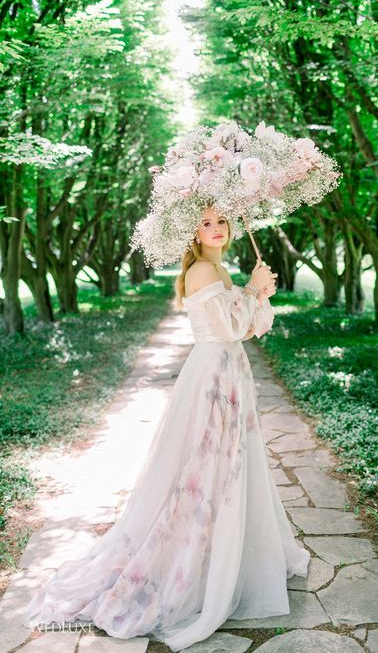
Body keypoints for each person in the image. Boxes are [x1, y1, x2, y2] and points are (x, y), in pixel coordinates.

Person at [22, 204, 310, 651]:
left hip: (229, 372)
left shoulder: (221, 270)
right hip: (213, 378)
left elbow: (250, 328)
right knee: (205, 469)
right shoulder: (200, 273)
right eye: (205, 223)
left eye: (221, 221)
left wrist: (260, 294)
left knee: (229, 468)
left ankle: (225, 556)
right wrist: (252, 292)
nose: (215, 229)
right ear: (192, 233)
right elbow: (230, 327)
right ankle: (189, 563)